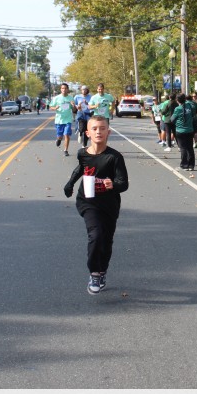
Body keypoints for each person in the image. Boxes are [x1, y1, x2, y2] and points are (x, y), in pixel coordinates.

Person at [63, 115, 129, 295]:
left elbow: (123, 183)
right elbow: (81, 168)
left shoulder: (114, 157)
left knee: (106, 241)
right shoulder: (82, 153)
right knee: (96, 235)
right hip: (87, 201)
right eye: (94, 129)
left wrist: (112, 184)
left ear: (108, 132)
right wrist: (70, 183)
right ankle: (94, 273)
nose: (98, 132)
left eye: (102, 128)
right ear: (87, 133)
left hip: (109, 205)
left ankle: (102, 271)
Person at [171, 92, 197, 170]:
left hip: (180, 130)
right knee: (190, 147)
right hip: (190, 130)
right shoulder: (189, 106)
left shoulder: (177, 109)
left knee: (183, 148)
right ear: (185, 99)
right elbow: (194, 114)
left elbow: (172, 119)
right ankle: (191, 165)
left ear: (177, 100)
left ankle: (184, 164)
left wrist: (177, 122)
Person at [49, 82, 76, 156]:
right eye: (62, 88)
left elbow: (74, 110)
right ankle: (59, 139)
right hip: (59, 120)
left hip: (68, 119)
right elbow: (50, 107)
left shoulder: (71, 98)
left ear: (67, 89)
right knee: (60, 136)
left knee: (67, 134)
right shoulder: (56, 98)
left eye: (65, 88)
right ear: (61, 89)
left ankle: (66, 150)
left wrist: (73, 106)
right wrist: (55, 108)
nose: (64, 90)